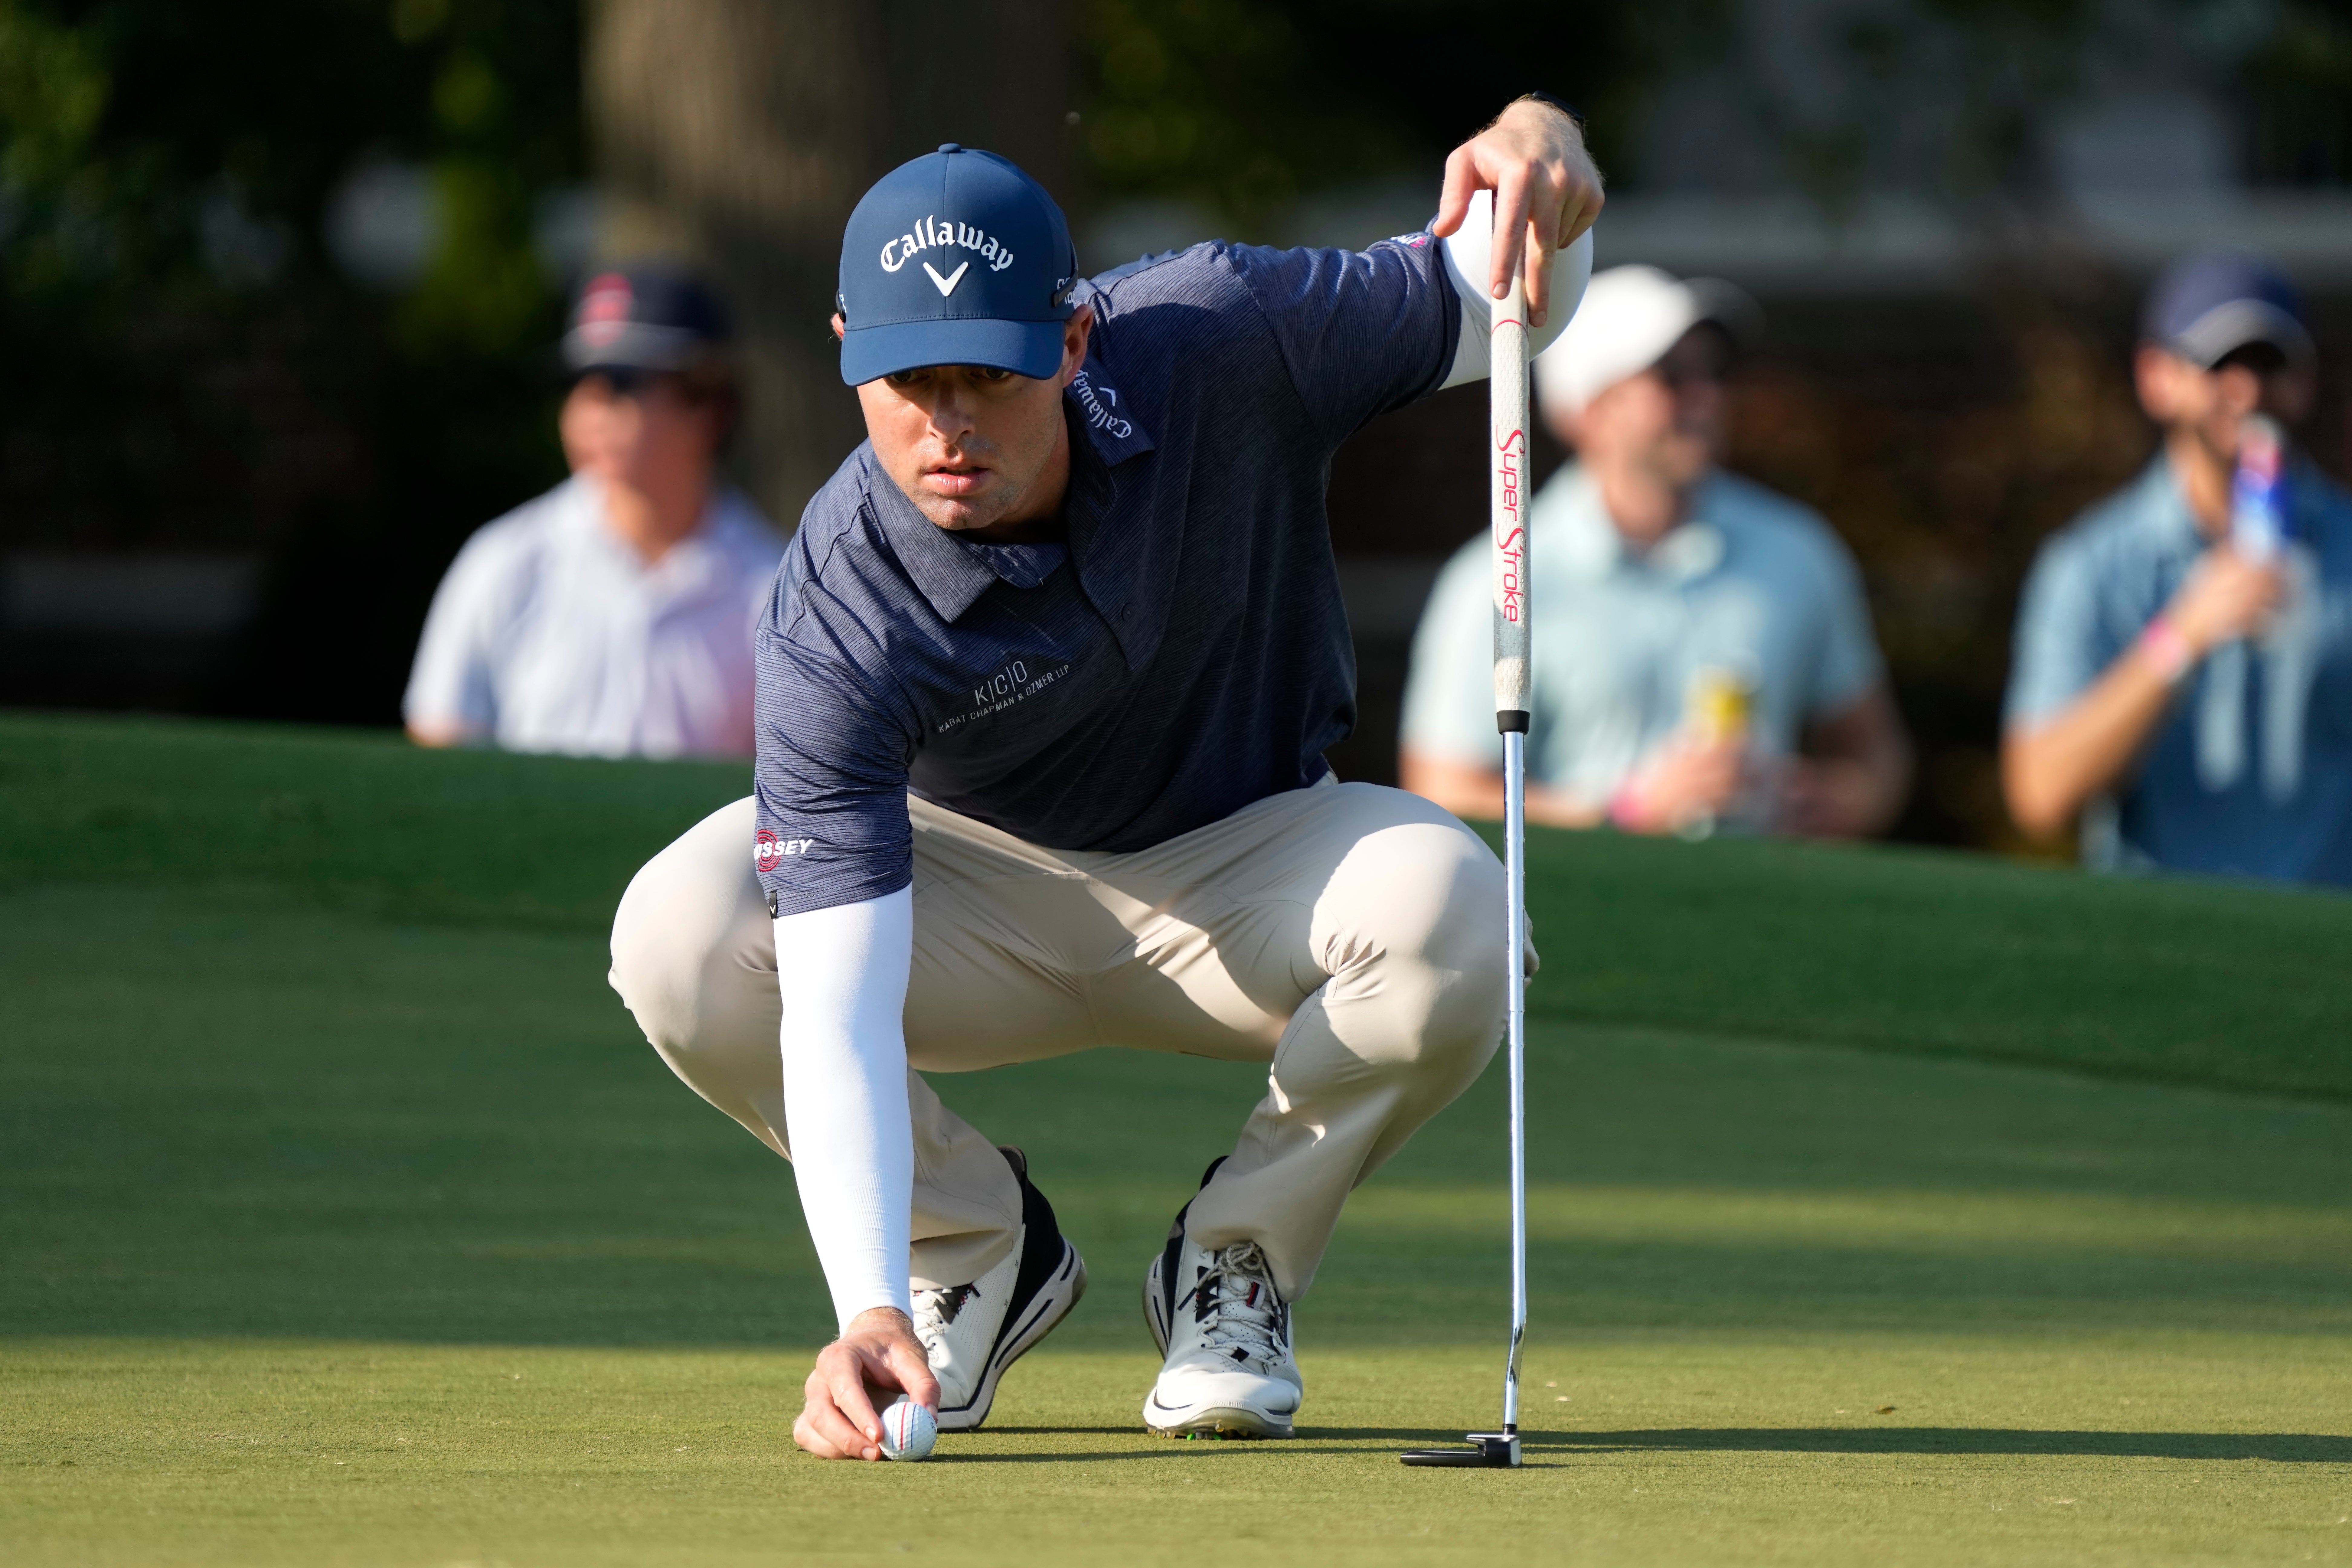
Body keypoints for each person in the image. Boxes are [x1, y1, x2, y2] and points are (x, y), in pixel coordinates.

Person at [606, 105, 1604, 1462]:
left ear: (1074, 341)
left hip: (1248, 870)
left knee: (1458, 911)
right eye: (911, 384)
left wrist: (1548, 158)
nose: (950, 428)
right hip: (973, 901)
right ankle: (970, 1252)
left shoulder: (1225, 332)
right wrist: (865, 1304)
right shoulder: (835, 609)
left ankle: (1235, 1262)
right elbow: (837, 1009)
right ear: (846, 359)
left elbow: (1507, 288)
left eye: (993, 379)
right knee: (678, 933)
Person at [1399, 265, 1910, 838]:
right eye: (1670, 377)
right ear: (1586, 411)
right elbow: (1443, 792)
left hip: (1765, 919)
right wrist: (1626, 817)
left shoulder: (1798, 549)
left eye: (1712, 373)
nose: (1707, 397)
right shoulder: (1496, 579)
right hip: (1577, 924)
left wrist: (1838, 801)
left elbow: (1877, 755)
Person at [2003, 254, 2352, 884]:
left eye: (2268, 365)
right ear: (2157, 376)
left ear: (2304, 382)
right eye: (2220, 365)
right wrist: (2180, 639)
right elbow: (2040, 794)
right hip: (2163, 955)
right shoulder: (2090, 567)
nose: (2246, 391)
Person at [403, 266, 784, 759]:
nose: (589, 411)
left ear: (707, 405)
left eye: (622, 385)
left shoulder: (777, 587)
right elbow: (442, 744)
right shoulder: (504, 561)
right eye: (578, 385)